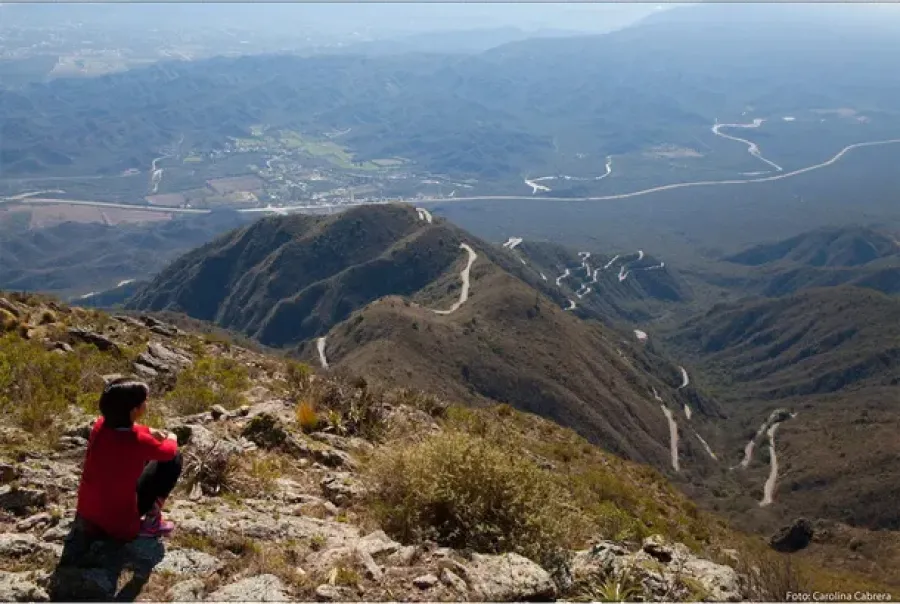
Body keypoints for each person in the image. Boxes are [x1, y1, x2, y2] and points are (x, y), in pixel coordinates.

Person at [75, 378, 182, 540]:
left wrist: (148, 430)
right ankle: (151, 522)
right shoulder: (138, 441)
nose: (147, 403)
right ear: (134, 410)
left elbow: (132, 430)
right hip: (120, 523)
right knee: (174, 460)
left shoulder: (100, 426)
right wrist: (172, 437)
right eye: (144, 401)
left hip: (89, 513)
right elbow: (168, 452)